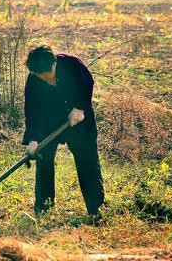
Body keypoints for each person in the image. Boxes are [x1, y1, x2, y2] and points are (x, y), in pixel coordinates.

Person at [22, 45, 105, 220]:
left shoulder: (73, 64)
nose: (45, 78)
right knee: (43, 162)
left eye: (47, 72)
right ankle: (44, 209)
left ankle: (96, 209)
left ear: (54, 62)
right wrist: (33, 139)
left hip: (79, 121)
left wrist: (80, 108)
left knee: (87, 162)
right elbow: (32, 110)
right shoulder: (33, 79)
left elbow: (87, 83)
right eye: (41, 76)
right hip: (48, 124)